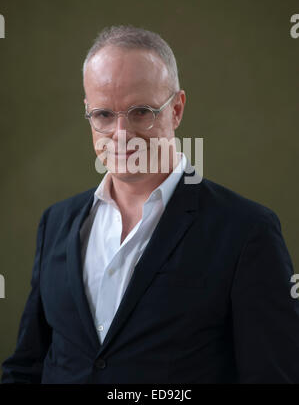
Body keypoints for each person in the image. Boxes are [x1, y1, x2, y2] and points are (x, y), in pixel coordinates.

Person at [2, 25, 299, 384]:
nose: (121, 133)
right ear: (88, 113)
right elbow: (26, 367)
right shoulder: (56, 223)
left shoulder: (247, 231)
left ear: (176, 109)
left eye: (141, 112)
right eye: (104, 115)